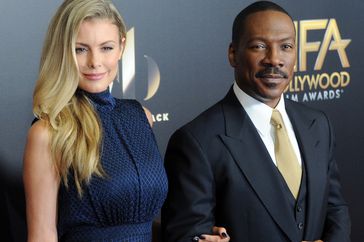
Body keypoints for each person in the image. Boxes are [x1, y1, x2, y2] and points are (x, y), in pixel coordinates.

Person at [161, 1, 351, 242]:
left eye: (286, 46)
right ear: (233, 54)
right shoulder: (197, 142)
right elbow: (186, 236)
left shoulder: (318, 124)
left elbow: (335, 208)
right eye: (259, 46)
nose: (274, 59)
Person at [23, 0, 169, 241]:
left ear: (122, 46)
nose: (95, 62)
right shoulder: (49, 132)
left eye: (106, 48)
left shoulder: (140, 116)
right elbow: (42, 234)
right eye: (80, 49)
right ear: (62, 51)